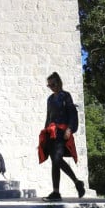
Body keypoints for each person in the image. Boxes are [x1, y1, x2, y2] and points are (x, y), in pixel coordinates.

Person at [38, 71, 85, 201]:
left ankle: (65, 187)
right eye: (49, 85)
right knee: (55, 161)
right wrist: (45, 133)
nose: (51, 87)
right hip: (51, 133)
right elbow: (48, 117)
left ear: (58, 83)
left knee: (57, 159)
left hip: (62, 132)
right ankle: (67, 187)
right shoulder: (50, 99)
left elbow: (72, 113)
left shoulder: (66, 96)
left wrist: (70, 129)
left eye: (53, 84)